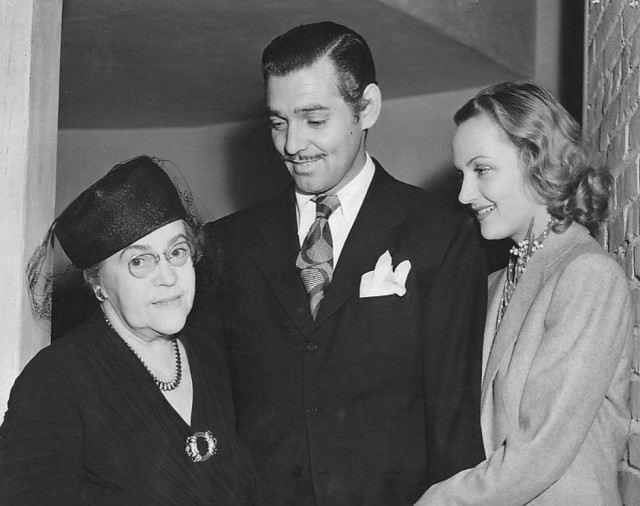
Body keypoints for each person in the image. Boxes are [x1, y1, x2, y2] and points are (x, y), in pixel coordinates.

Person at [189, 22, 487, 505]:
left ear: (367, 107)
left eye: (313, 119)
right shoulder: (226, 244)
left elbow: (454, 420)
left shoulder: (443, 234)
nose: (292, 145)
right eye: (278, 122)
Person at [415, 81, 633, 505]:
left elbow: (541, 448)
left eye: (481, 170)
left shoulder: (586, 274)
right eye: (462, 174)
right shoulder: (496, 282)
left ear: (536, 159)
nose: (463, 194)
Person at [0, 156, 258, 505]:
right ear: (98, 285)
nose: (168, 276)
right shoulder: (58, 377)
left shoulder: (209, 354)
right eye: (140, 261)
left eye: (177, 252)